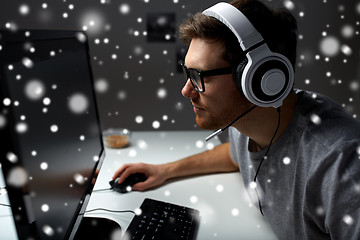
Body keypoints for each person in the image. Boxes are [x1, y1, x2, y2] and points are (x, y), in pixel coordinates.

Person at [113, 0, 360, 239]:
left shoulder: (341, 165)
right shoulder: (248, 123)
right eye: (188, 73)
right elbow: (233, 155)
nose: (186, 91)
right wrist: (165, 170)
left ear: (258, 78)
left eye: (199, 76)